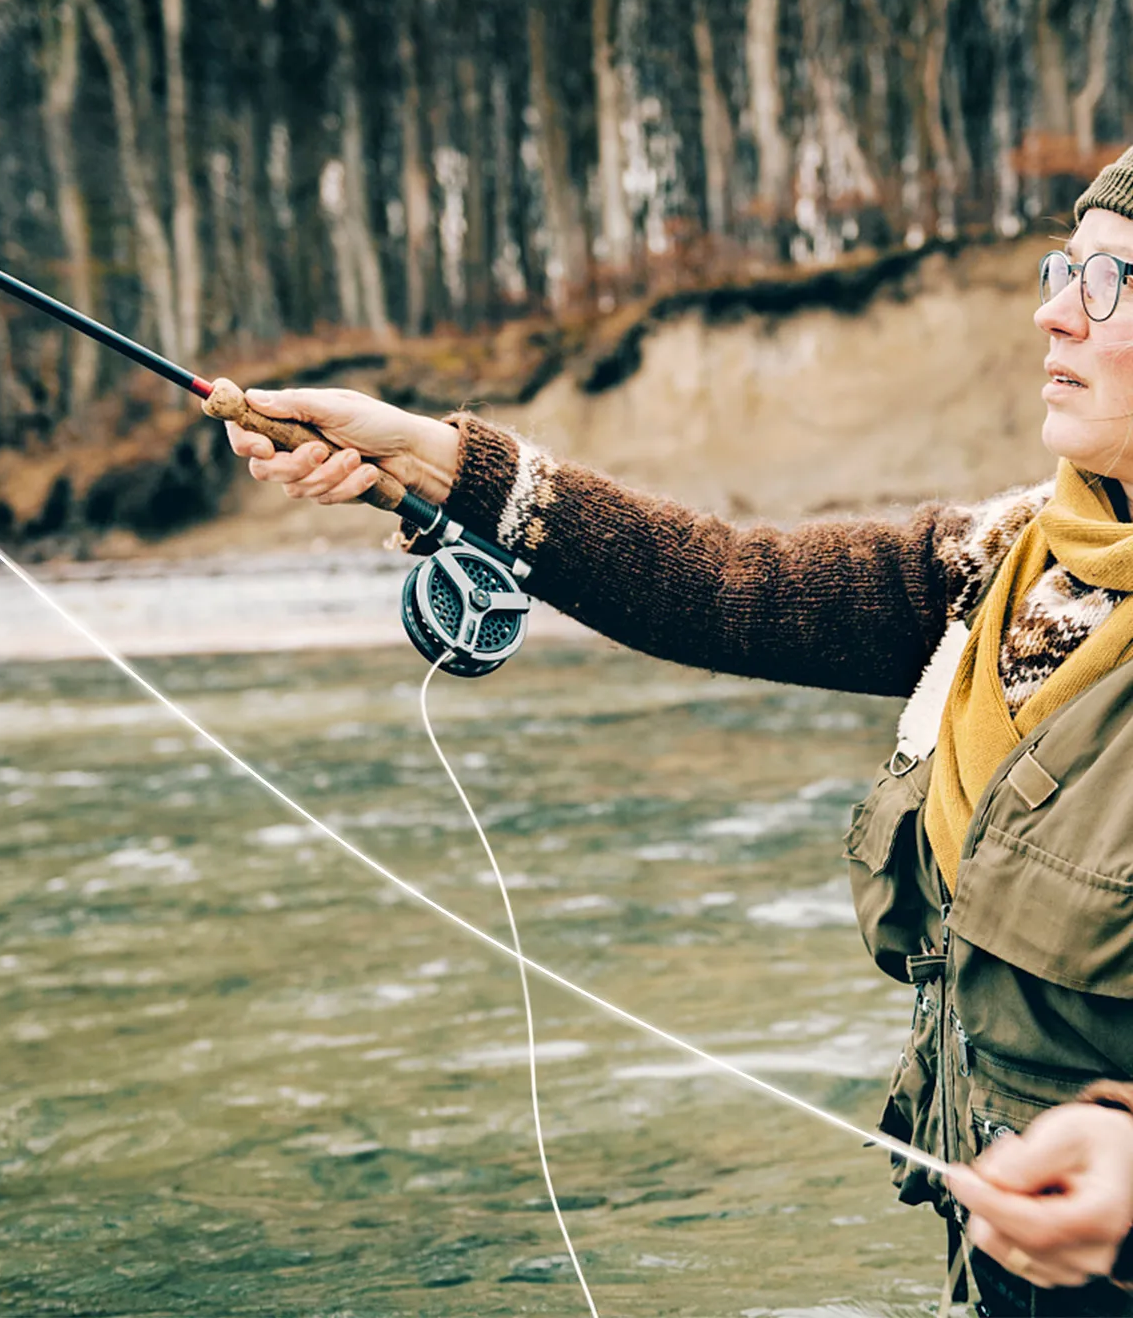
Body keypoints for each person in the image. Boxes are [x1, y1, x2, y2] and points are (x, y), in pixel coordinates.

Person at [223, 147, 1133, 1317]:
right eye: (1064, 266)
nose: (1051, 310)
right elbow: (723, 584)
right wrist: (436, 462)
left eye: (1110, 282)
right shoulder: (1002, 562)